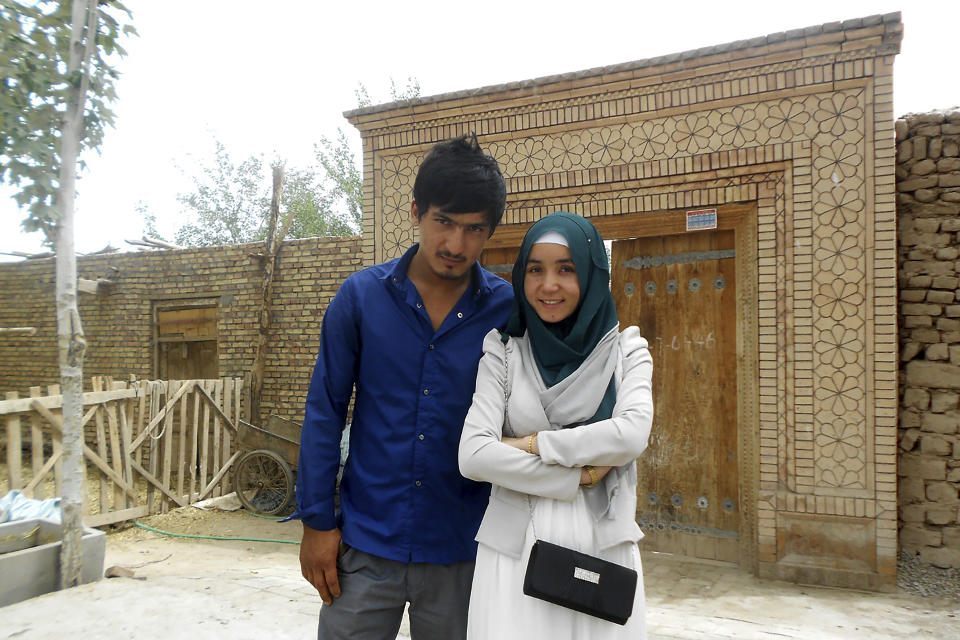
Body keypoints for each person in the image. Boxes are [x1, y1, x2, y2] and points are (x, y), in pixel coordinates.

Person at [292, 134, 513, 640]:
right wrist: (317, 524)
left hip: (465, 549)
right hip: (366, 544)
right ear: (416, 210)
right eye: (444, 222)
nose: (456, 245)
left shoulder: (508, 311)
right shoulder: (360, 299)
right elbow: (325, 410)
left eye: (474, 229)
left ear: (490, 232)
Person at [458, 211, 653, 639]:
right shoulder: (503, 351)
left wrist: (527, 444)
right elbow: (473, 455)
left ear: (591, 273)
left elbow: (631, 435)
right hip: (515, 552)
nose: (548, 285)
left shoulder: (626, 351)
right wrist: (577, 475)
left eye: (566, 269)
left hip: (602, 550)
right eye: (535, 269)